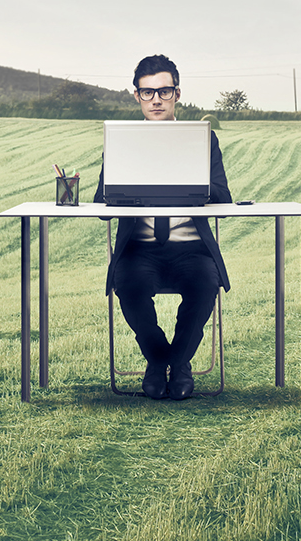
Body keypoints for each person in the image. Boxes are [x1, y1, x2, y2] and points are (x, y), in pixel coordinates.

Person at [93, 54, 231, 400]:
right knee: (128, 284)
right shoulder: (123, 141)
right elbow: (101, 204)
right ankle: (161, 362)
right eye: (148, 92)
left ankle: (177, 365)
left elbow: (224, 196)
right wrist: (127, 192)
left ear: (177, 94)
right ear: (137, 96)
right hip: (139, 250)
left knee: (205, 284)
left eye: (164, 91)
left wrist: (191, 185)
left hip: (191, 249)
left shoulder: (204, 140)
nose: (156, 99)